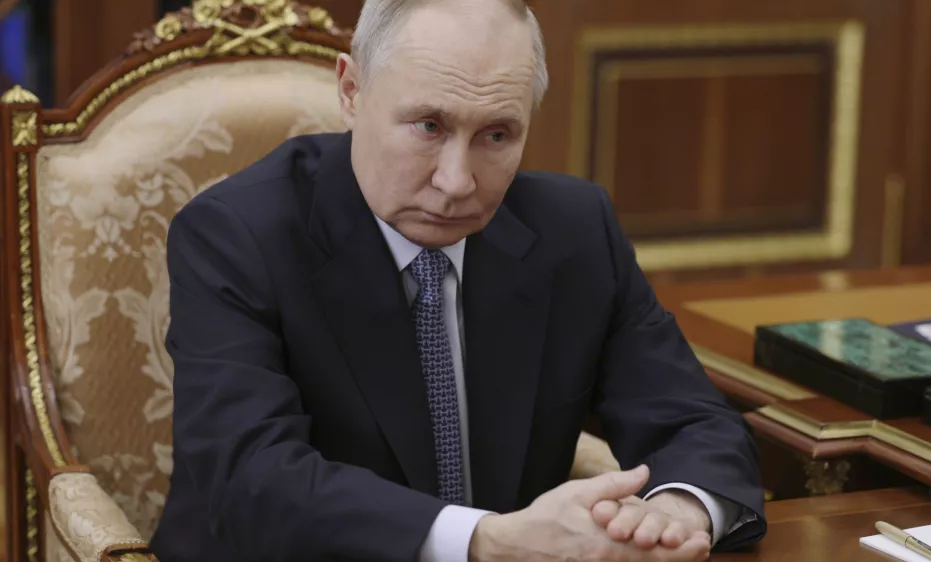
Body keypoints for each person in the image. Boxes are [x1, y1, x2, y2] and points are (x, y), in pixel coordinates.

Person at [151, 0, 767, 560]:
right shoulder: (237, 235)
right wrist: (483, 540)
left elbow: (694, 422)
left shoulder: (574, 230)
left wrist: (676, 512)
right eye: (428, 127)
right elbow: (251, 481)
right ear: (351, 90)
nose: (458, 182)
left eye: (496, 135)